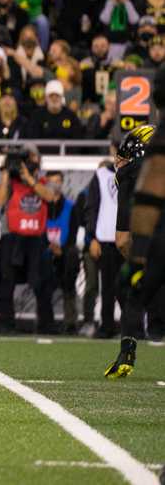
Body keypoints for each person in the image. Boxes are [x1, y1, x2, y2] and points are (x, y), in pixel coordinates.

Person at [104, 125, 155, 377]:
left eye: (123, 155)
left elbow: (123, 240)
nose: (118, 161)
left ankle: (127, 353)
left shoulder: (131, 175)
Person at [0, 144, 60, 333]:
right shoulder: (11, 182)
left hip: (36, 238)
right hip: (11, 237)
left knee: (40, 283)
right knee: (6, 282)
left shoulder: (46, 181)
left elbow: (50, 196)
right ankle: (6, 324)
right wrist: (6, 173)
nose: (27, 162)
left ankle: (46, 325)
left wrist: (29, 179)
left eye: (30, 157)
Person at [82, 147, 123, 339]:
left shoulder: (138, 173)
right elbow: (92, 208)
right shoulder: (100, 176)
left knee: (130, 287)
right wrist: (92, 238)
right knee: (107, 286)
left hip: (129, 239)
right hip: (107, 238)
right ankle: (107, 326)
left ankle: (134, 327)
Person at [42, 170, 83, 335]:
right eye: (51, 181)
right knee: (42, 283)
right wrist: (50, 247)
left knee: (69, 275)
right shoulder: (41, 205)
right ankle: (46, 323)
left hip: (65, 253)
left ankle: (70, 323)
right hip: (45, 251)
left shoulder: (71, 206)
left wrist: (62, 250)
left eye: (58, 181)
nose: (55, 185)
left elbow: (73, 233)